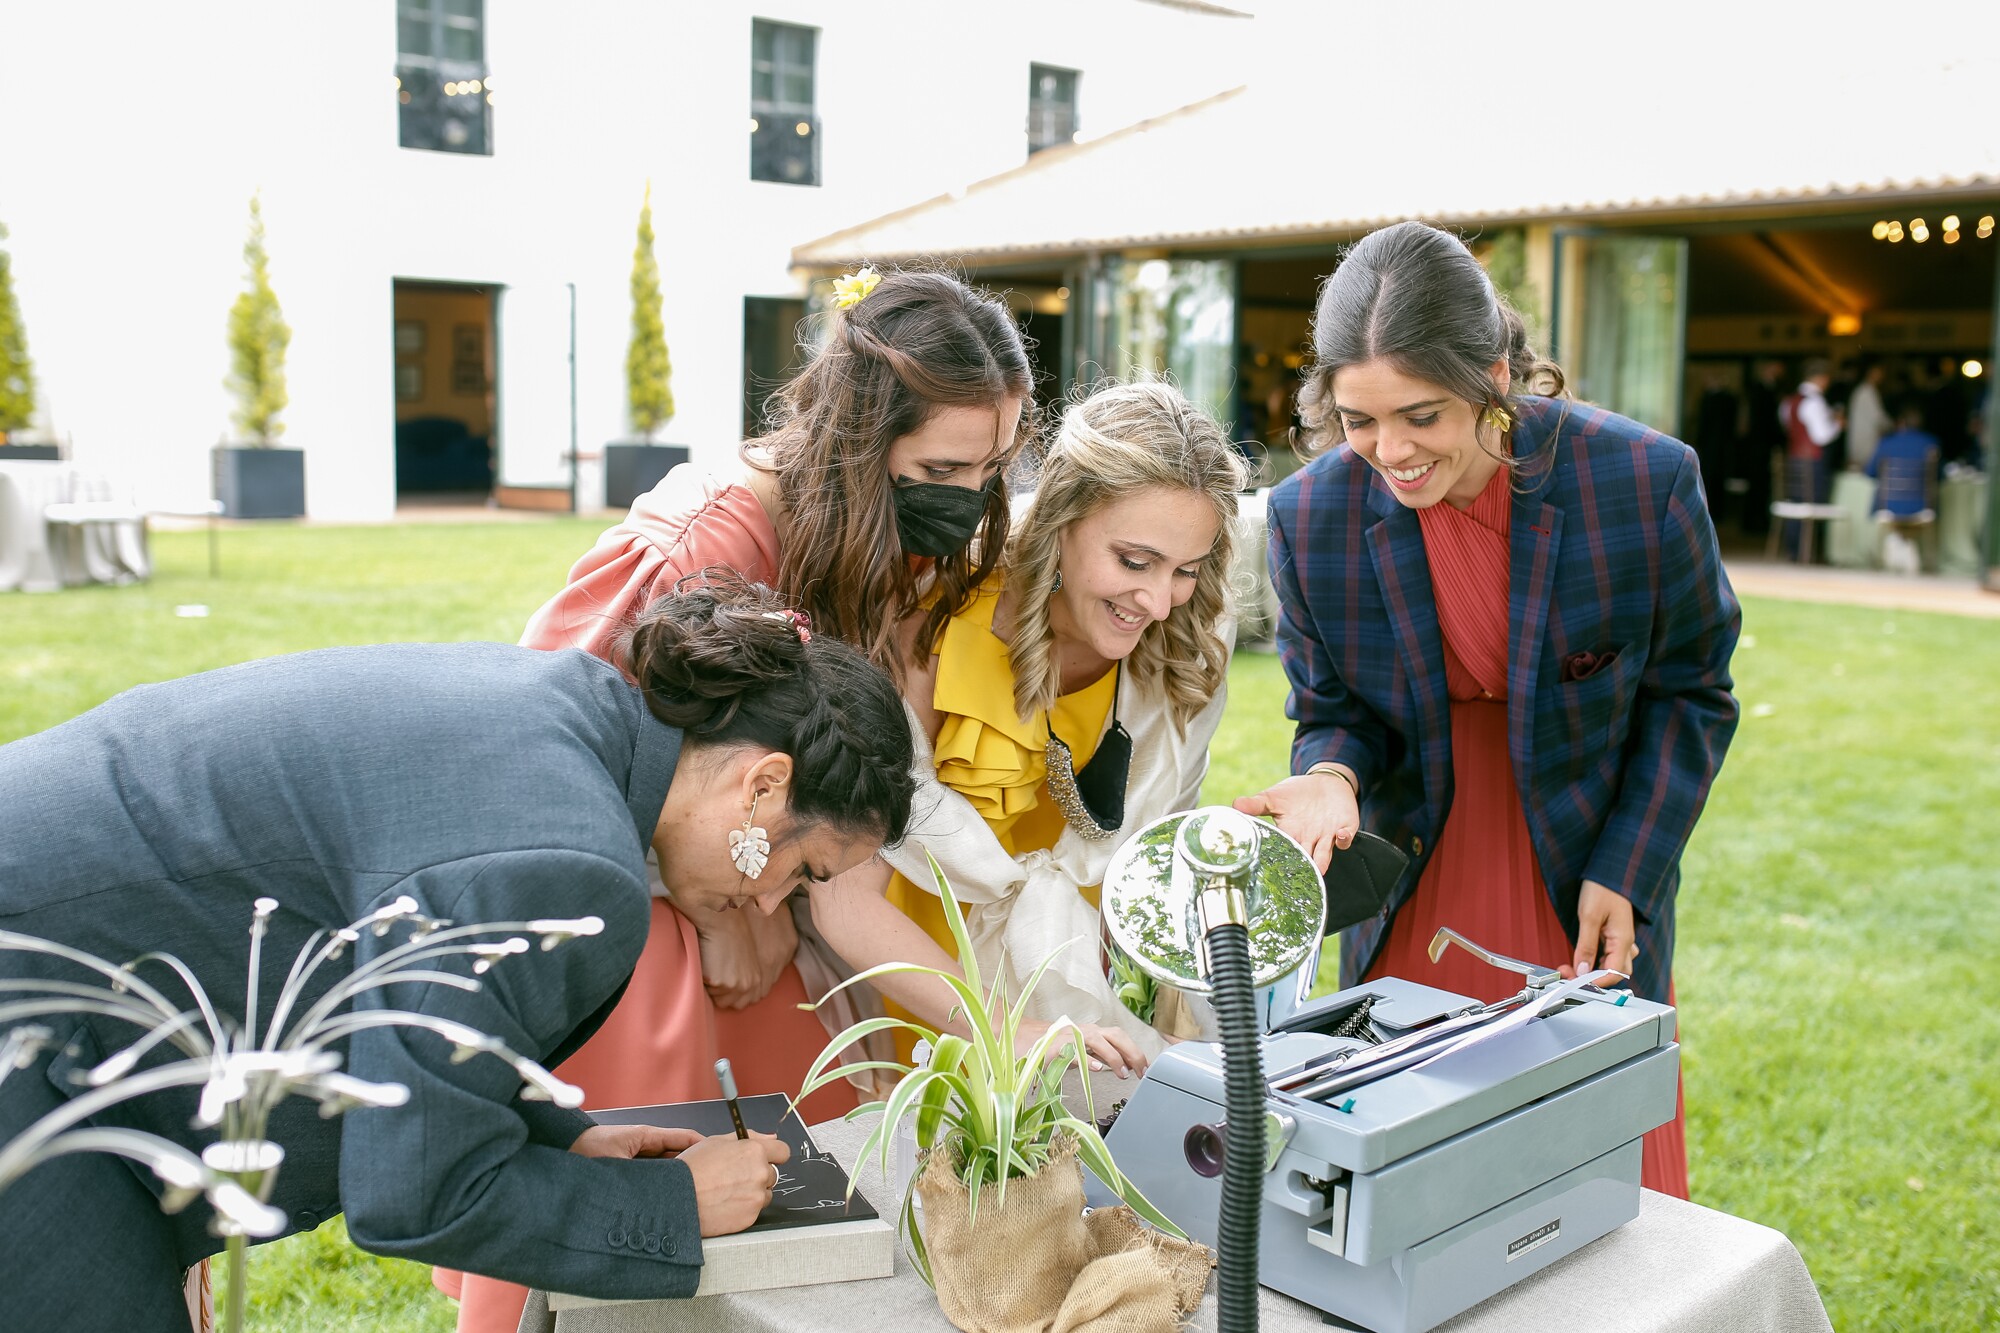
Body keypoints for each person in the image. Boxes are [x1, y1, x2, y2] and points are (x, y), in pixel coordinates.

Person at [0, 580, 915, 1332]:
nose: (772, 903)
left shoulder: (570, 711)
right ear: (764, 784)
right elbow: (411, 1188)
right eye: (802, 871)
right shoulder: (573, 863)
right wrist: (675, 1204)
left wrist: (561, 1137)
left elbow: (412, 1029)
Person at [1236, 221, 1740, 1200]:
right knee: (1414, 1156)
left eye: (1420, 415)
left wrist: (1627, 871)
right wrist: (1330, 776)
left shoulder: (1642, 480)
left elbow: (1690, 693)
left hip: (1585, 851)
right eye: (1358, 420)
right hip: (1420, 857)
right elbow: (1333, 708)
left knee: (1592, 1163)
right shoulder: (1310, 516)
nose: (1389, 452)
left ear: (1494, 376)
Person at [829, 381, 1245, 1053]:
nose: (1158, 602)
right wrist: (1014, 1035)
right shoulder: (935, 623)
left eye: (1186, 570)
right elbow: (845, 901)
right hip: (933, 997)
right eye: (1134, 561)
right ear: (1059, 521)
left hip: (1090, 995)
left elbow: (1157, 860)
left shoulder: (1184, 645)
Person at [1780, 359, 1842, 560]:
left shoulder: (1789, 401)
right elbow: (1821, 436)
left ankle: (1793, 550)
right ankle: (1808, 552)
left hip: (1794, 460)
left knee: (1795, 503)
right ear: (1821, 379)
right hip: (1813, 462)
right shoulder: (1815, 401)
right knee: (1812, 504)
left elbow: (1789, 427)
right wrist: (1838, 424)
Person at [1845, 361, 1888, 474]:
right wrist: (1890, 425)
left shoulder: (1865, 390)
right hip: (1865, 436)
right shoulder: (1866, 391)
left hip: (1863, 434)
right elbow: (1877, 416)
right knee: (1864, 467)